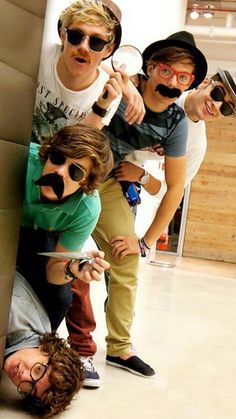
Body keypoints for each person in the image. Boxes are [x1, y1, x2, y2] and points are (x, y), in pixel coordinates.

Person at [66, 31, 208, 379]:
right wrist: (124, 82)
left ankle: (120, 348)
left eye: (183, 77)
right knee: (57, 254)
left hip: (109, 182)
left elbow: (173, 188)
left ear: (189, 83)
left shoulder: (176, 123)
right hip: (72, 170)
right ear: (151, 67)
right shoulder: (123, 77)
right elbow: (110, 63)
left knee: (126, 259)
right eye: (165, 71)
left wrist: (144, 242)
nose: (172, 82)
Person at [31, 0, 144, 387]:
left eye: (96, 42)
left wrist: (104, 101)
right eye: (76, 36)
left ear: (109, 49)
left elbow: (79, 148)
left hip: (64, 174)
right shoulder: (38, 56)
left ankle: (76, 349)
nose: (84, 47)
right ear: (62, 35)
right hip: (23, 162)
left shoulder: (106, 88)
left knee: (73, 264)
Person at [16, 123, 112, 386]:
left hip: (36, 236)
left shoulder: (87, 209)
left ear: (86, 184)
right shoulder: (21, 160)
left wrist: (72, 270)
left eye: (75, 171)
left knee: (61, 296)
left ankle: (32, 355)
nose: (59, 171)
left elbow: (54, 270)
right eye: (57, 158)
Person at [114, 67, 236, 203]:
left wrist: (142, 176)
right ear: (205, 83)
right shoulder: (170, 87)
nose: (216, 105)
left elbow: (174, 191)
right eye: (217, 93)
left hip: (121, 169)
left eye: (226, 108)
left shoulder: (196, 144)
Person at [3, 271, 83, 417]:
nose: (24, 376)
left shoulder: (32, 339)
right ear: (46, 349)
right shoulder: (10, 313)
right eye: (38, 369)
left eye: (31, 388)